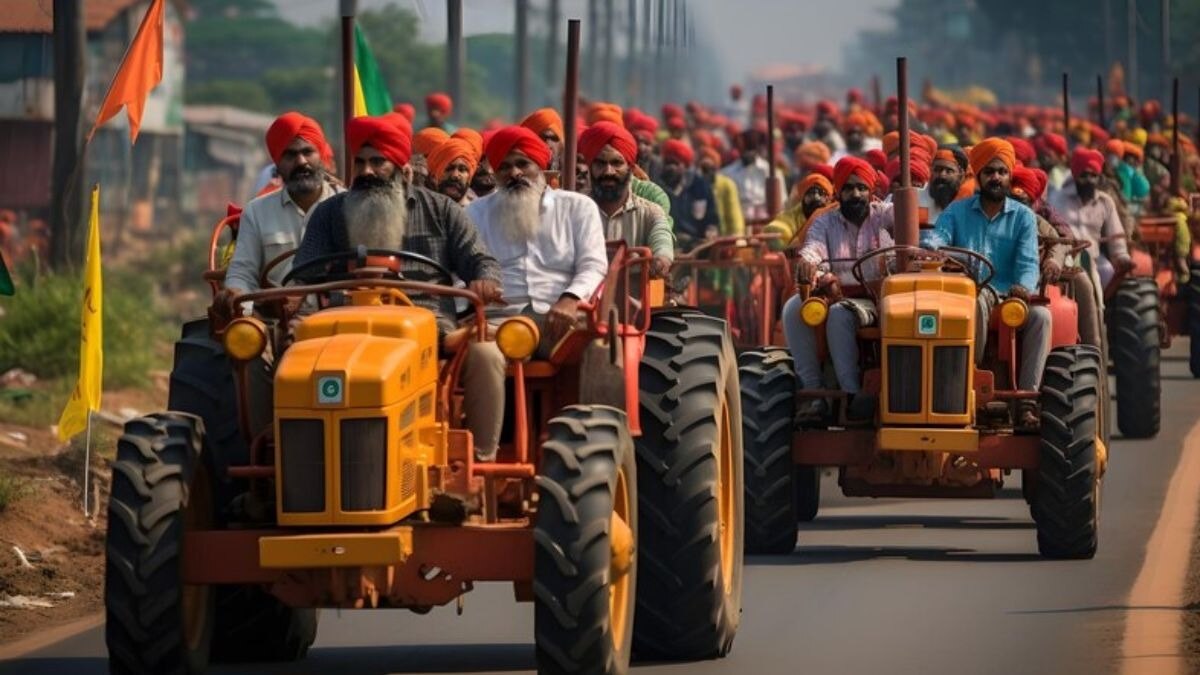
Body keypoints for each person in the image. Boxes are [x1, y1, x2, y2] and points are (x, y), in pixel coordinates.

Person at [292, 115, 505, 461]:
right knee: (279, 352)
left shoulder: (442, 210)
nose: (367, 171)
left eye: (378, 161)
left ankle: (478, 466)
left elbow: (481, 260)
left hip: (431, 331)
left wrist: (485, 279)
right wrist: (294, 307)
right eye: (360, 162)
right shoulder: (328, 214)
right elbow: (302, 275)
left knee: (487, 354)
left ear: (400, 165)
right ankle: (284, 464)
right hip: (341, 329)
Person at [927, 138, 1050, 427]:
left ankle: (1027, 400)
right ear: (979, 176)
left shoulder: (1024, 218)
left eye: (1001, 172)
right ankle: (972, 381)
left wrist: (1023, 287)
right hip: (968, 293)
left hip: (1011, 295)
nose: (996, 177)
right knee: (975, 301)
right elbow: (938, 236)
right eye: (989, 172)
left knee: (1043, 317)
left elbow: (1029, 262)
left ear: (1009, 176)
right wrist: (931, 246)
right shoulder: (957, 211)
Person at [465, 126, 608, 354]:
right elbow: (461, 269)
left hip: (561, 317)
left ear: (540, 166)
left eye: (522, 164)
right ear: (495, 173)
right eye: (504, 167)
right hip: (500, 320)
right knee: (481, 355)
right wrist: (476, 285)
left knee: (599, 352)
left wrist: (571, 299)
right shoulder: (476, 212)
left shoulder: (578, 207)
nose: (514, 173)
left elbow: (594, 265)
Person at [782, 157, 895, 421]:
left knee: (839, 315)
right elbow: (813, 249)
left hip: (878, 299)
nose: (855, 194)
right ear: (838, 191)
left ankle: (851, 394)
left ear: (871, 191)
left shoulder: (884, 215)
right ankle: (814, 392)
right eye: (848, 188)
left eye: (861, 188)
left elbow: (908, 212)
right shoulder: (825, 221)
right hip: (835, 293)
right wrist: (811, 267)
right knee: (793, 308)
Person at [222, 112, 341, 298]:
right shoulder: (257, 212)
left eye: (307, 152)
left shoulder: (347, 205)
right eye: (290, 155)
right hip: (278, 320)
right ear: (277, 165)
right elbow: (242, 274)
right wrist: (238, 296)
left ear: (321, 157)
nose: (301, 161)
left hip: (338, 317)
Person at [1011, 166, 1102, 349]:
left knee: (1084, 282)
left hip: (1046, 269)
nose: (1016, 208)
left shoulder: (1042, 214)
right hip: (1000, 278)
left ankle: (1092, 347)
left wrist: (1052, 260)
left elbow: (1063, 238)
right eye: (1011, 201)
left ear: (1032, 197)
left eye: (1022, 201)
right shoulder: (986, 215)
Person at [579, 121, 674, 276]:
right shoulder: (575, 209)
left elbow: (662, 236)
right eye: (600, 163)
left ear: (630, 167)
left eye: (616, 163)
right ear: (590, 166)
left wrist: (661, 259)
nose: (608, 171)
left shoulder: (651, 212)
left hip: (634, 298)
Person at [1047, 147, 1133, 289]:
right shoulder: (1057, 198)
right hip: (1065, 258)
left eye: (1094, 176)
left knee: (1107, 271)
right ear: (1075, 176)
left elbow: (1115, 236)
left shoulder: (1105, 202)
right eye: (1084, 176)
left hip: (1095, 258)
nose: (1089, 180)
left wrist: (1121, 256)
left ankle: (1102, 309)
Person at [657, 139, 718, 250]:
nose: (670, 167)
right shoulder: (656, 187)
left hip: (694, 246)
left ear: (684, 166)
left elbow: (711, 216)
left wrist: (710, 230)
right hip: (663, 244)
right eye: (667, 163)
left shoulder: (699, 186)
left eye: (675, 163)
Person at [721, 128, 785, 222]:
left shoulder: (772, 173)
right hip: (739, 222)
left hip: (766, 223)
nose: (748, 154)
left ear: (758, 149)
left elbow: (782, 203)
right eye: (744, 150)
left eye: (751, 149)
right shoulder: (727, 174)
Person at [764, 171, 833, 251]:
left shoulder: (835, 214)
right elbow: (783, 250)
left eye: (822, 193)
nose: (815, 197)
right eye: (809, 194)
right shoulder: (788, 220)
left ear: (829, 198)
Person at [698, 147, 744, 237]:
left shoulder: (726, 184)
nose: (706, 173)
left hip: (726, 236)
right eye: (704, 169)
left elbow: (734, 215)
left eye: (709, 169)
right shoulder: (697, 185)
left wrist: (735, 236)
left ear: (715, 168)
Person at [426, 138, 478, 206]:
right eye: (449, 169)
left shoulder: (477, 212)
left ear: (469, 178)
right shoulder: (419, 209)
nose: (455, 175)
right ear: (434, 176)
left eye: (462, 170)